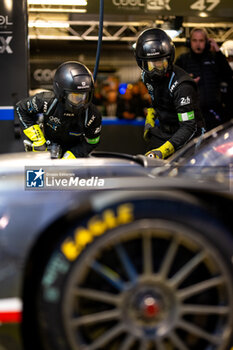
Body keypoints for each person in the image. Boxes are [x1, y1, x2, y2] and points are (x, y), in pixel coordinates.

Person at [135, 27, 203, 159]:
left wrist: (162, 151)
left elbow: (188, 126)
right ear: (142, 63)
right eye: (151, 64)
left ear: (169, 59)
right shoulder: (146, 76)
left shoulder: (182, 86)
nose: (156, 70)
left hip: (188, 135)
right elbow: (156, 101)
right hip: (163, 131)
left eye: (160, 62)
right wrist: (150, 118)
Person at [16, 61, 102, 159]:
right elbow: (21, 108)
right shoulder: (46, 101)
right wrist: (38, 140)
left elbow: (92, 142)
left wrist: (73, 155)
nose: (81, 102)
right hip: (46, 151)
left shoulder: (92, 114)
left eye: (85, 96)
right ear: (62, 94)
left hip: (74, 155)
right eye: (76, 97)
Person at [175, 27, 233, 131]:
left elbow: (229, 76)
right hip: (191, 116)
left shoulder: (215, 58)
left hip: (214, 114)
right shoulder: (182, 60)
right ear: (189, 42)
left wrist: (218, 51)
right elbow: (173, 86)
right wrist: (187, 83)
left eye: (201, 40)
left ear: (206, 42)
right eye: (194, 40)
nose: (198, 44)